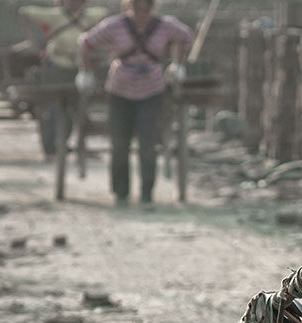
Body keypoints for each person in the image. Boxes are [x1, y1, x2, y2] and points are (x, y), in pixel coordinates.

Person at [77, 0, 192, 206]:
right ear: (130, 5)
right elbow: (86, 42)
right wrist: (85, 72)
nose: (141, 11)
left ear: (151, 6)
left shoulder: (165, 25)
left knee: (147, 143)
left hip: (152, 89)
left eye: (145, 7)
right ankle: (121, 193)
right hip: (120, 89)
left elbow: (186, 37)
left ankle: (147, 192)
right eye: (137, 6)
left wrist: (178, 64)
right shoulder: (115, 25)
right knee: (120, 143)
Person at [17, 0, 107, 159]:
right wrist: (31, 40)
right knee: (53, 107)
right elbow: (25, 11)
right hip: (57, 65)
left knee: (80, 106)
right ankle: (51, 146)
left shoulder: (90, 15)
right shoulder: (54, 15)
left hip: (80, 65)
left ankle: (72, 143)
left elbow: (107, 17)